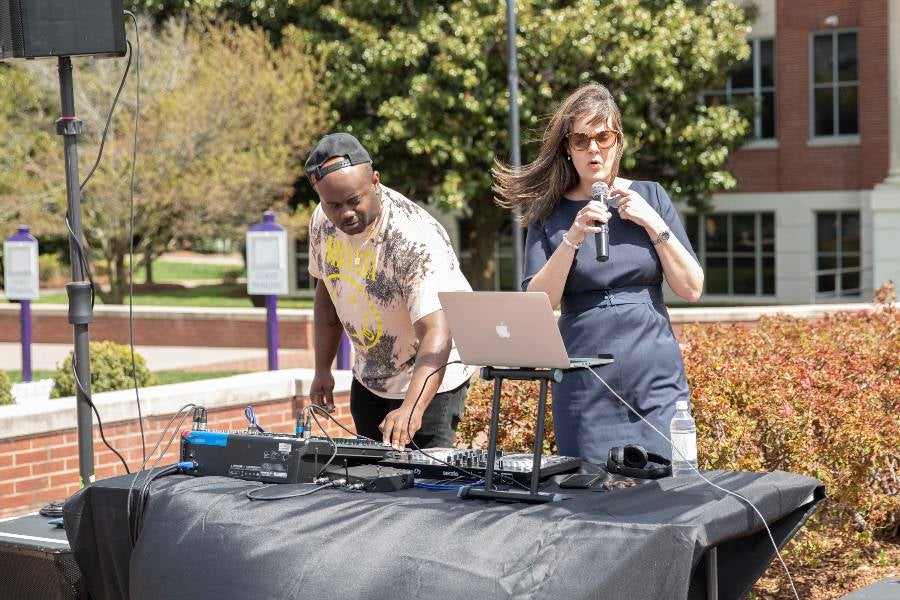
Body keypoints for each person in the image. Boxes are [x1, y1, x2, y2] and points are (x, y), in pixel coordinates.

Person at [492, 84, 704, 465]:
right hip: (584, 382)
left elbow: (691, 287)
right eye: (580, 139)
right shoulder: (549, 213)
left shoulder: (650, 197)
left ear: (618, 141)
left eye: (603, 136)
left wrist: (652, 222)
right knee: (590, 499)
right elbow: (537, 304)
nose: (593, 149)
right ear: (567, 150)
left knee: (668, 495)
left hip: (654, 379)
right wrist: (572, 239)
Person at [306, 132, 474, 450]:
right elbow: (328, 296)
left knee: (428, 488)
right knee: (372, 482)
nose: (345, 213)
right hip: (370, 378)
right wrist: (322, 370)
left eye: (355, 200)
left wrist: (412, 407)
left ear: (375, 181)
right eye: (334, 205)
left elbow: (437, 332)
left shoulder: (413, 239)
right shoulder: (322, 222)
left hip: (434, 381)